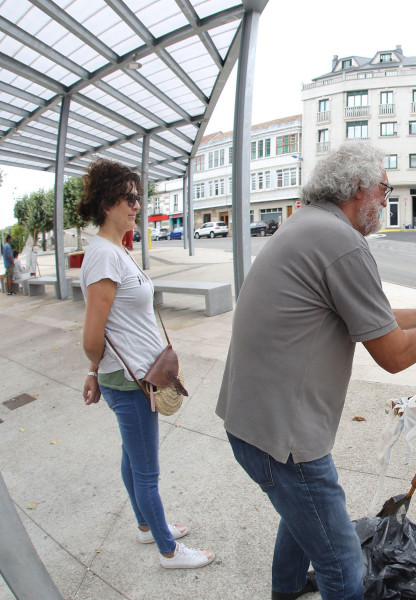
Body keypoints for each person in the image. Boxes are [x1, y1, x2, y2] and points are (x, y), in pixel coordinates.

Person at [217, 141, 416, 600]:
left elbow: (378, 318)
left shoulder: (310, 224)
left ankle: (284, 591)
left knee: (301, 516)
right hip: (282, 439)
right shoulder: (341, 242)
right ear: (359, 187)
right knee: (341, 562)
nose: (385, 201)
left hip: (254, 423)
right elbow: (393, 354)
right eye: (384, 189)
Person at [77, 159, 214, 570]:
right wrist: (92, 369)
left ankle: (143, 525)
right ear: (107, 203)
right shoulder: (103, 256)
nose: (138, 204)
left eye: (139, 197)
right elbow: (91, 334)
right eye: (130, 197)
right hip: (130, 378)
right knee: (147, 471)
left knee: (131, 457)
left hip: (134, 373)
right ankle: (168, 550)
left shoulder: (116, 250)